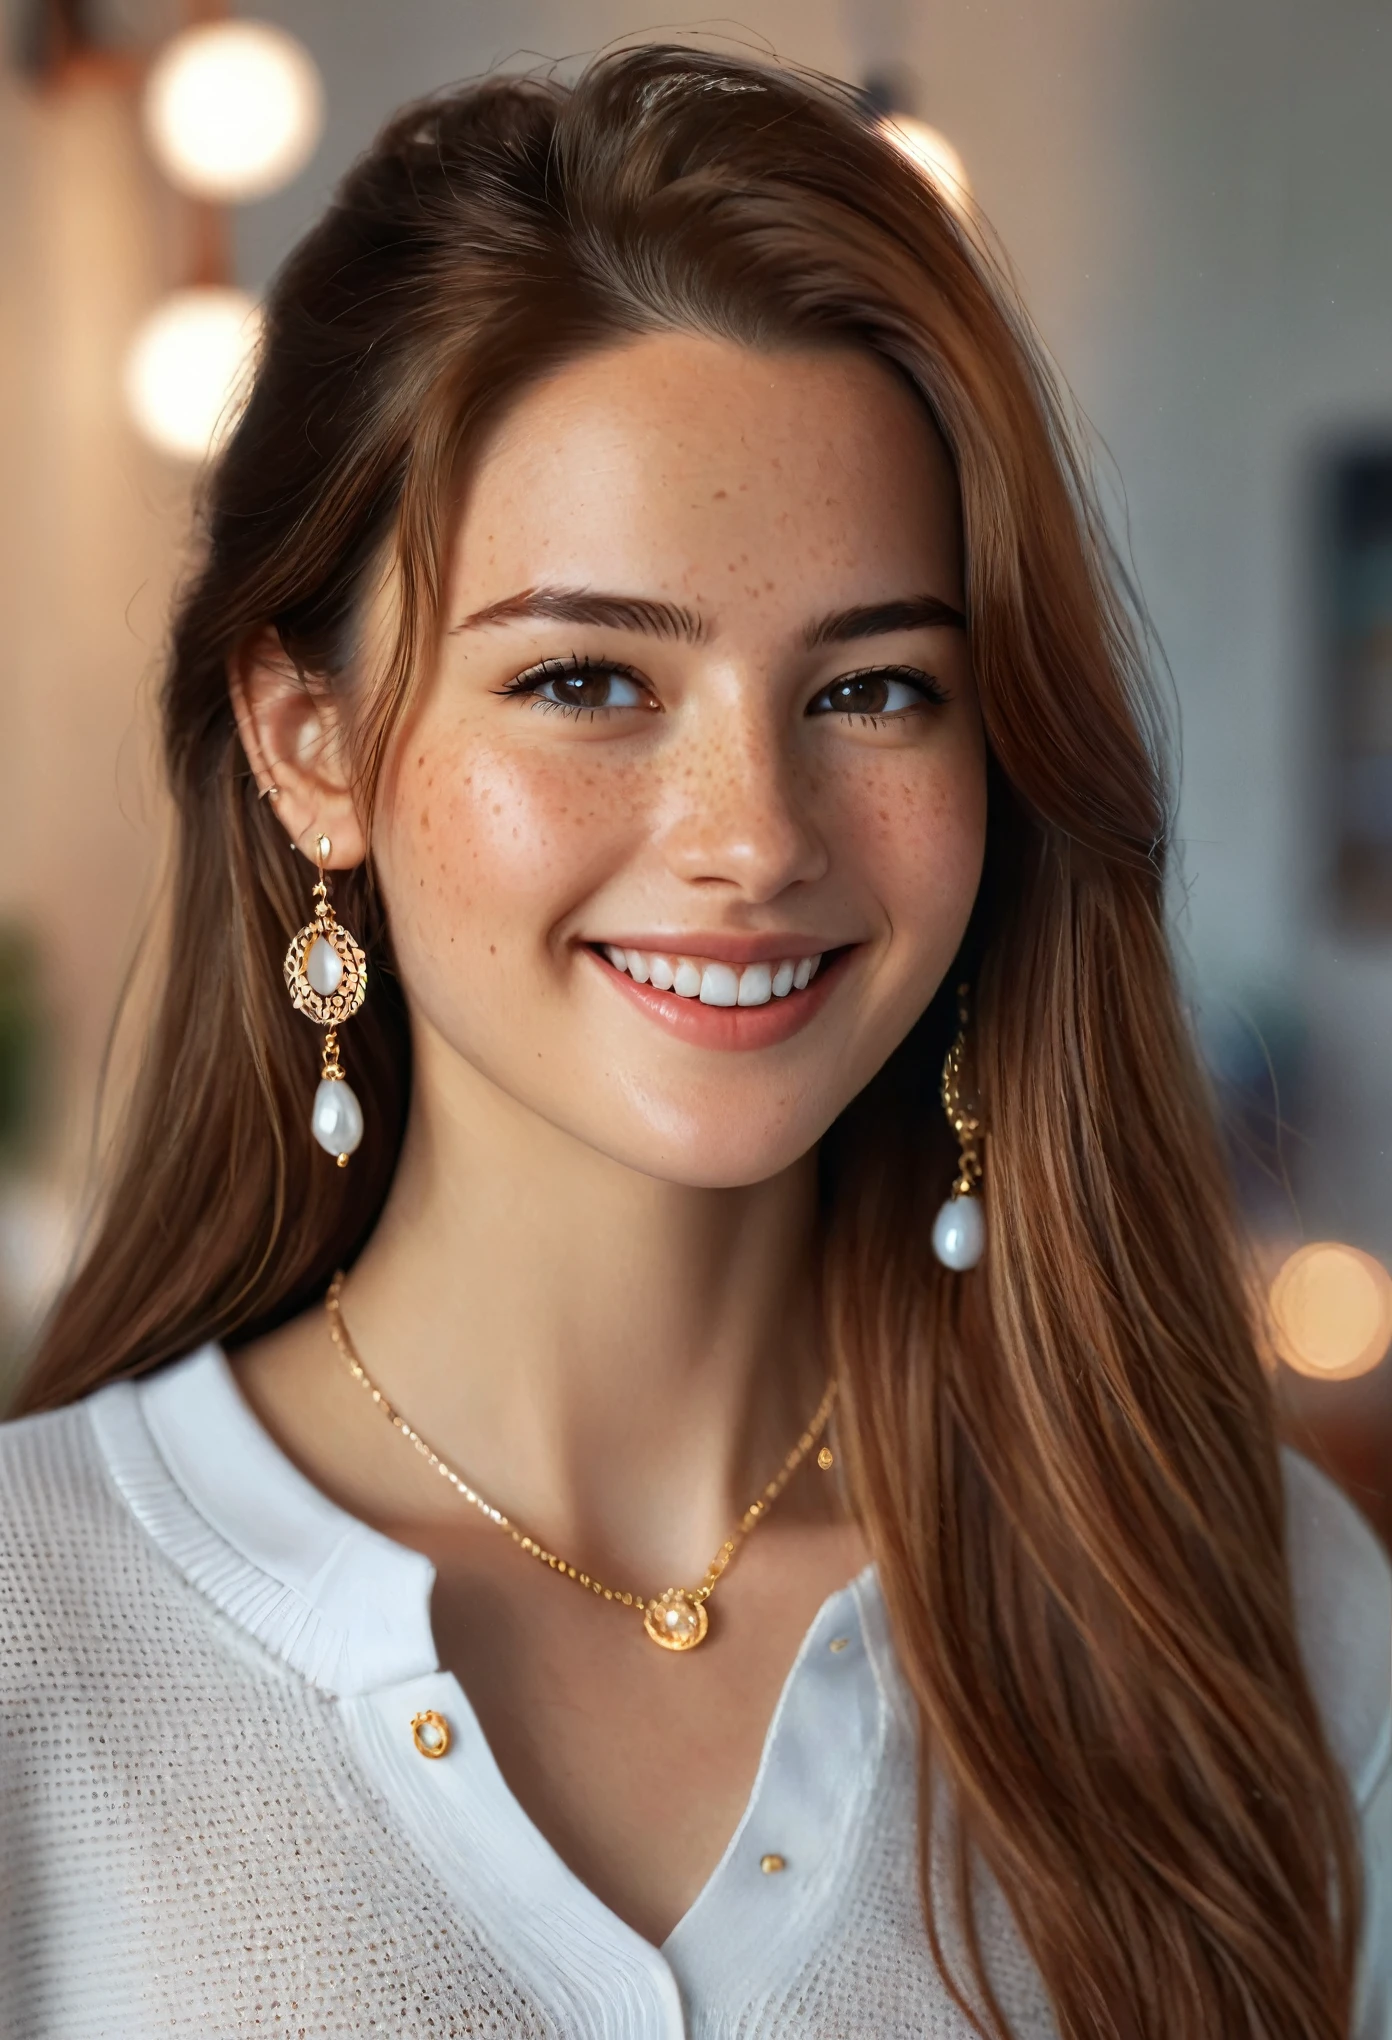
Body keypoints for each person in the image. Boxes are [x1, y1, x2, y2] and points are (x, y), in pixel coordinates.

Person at [1, 44, 1386, 2040]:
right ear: (309, 744)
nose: (753, 836)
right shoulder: (36, 1648)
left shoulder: (1261, 1614)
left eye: (879, 689)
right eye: (587, 678)